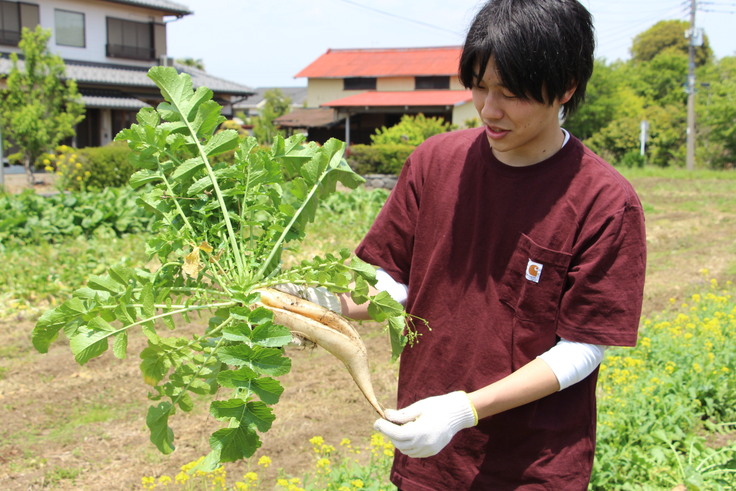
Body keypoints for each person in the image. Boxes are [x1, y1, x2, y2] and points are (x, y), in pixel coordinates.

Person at [331, 0, 648, 489]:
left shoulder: (604, 202)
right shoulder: (434, 163)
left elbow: (581, 348)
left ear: (566, 87)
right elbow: (395, 285)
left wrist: (464, 410)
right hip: (428, 451)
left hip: (532, 466)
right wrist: (317, 303)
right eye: (479, 86)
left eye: (511, 93)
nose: (488, 109)